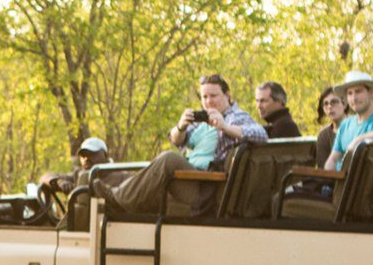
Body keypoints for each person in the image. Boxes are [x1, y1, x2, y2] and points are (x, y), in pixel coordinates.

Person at [109, 74, 266, 215]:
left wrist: (225, 127)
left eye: (213, 96)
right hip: (190, 177)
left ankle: (116, 199)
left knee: (168, 159)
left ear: (227, 95)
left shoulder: (236, 117)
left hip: (207, 187)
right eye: (204, 97)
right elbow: (176, 140)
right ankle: (111, 198)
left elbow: (261, 135)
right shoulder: (202, 120)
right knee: (136, 177)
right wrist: (181, 126)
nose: (209, 101)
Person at [324, 70, 373, 171]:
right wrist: (328, 177)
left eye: (358, 91)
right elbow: (333, 159)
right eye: (350, 93)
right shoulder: (345, 125)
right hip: (338, 184)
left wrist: (360, 139)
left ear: (372, 93)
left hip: (362, 185)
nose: (354, 98)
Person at [311, 86, 344, 158]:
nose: (329, 106)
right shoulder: (324, 135)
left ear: (344, 104)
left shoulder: (357, 128)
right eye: (325, 103)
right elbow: (322, 167)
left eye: (334, 102)